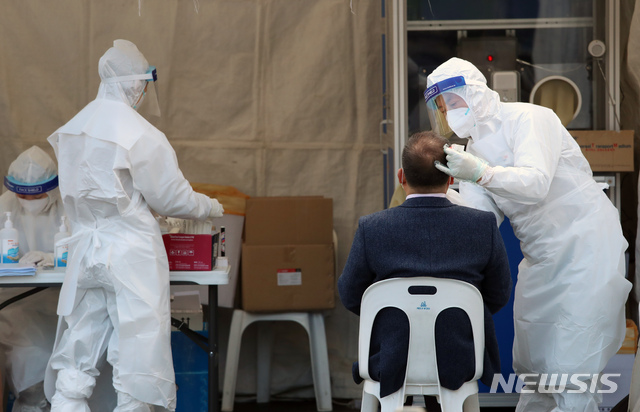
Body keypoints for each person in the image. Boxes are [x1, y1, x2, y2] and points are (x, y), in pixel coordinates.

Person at [427, 57, 632, 411]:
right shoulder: (474, 153)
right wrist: (440, 197)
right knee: (536, 365)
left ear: (475, 94)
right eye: (443, 108)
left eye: (453, 102)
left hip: (586, 248)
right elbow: (483, 222)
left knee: (573, 368)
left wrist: (481, 173)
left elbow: (536, 184)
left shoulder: (531, 119)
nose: (448, 113)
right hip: (541, 258)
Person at [43, 39, 224, 411]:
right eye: (143, 84)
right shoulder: (140, 133)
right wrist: (209, 206)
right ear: (132, 83)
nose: (143, 92)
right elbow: (171, 198)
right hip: (130, 255)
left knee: (81, 344)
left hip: (87, 249)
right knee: (138, 355)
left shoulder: (74, 129)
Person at [338, 131, 512, 403]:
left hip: (391, 357)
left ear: (401, 177)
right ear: (451, 178)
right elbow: (498, 294)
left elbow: (350, 294)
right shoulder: (482, 225)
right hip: (462, 357)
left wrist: (392, 314)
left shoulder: (372, 228)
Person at [0, 146, 64, 412]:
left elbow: (88, 248)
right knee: (32, 358)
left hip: (61, 301)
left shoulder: (69, 205)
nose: (30, 201)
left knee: (68, 370)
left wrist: (50, 257)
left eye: (38, 195)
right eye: (22, 196)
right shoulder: (5, 204)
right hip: (15, 302)